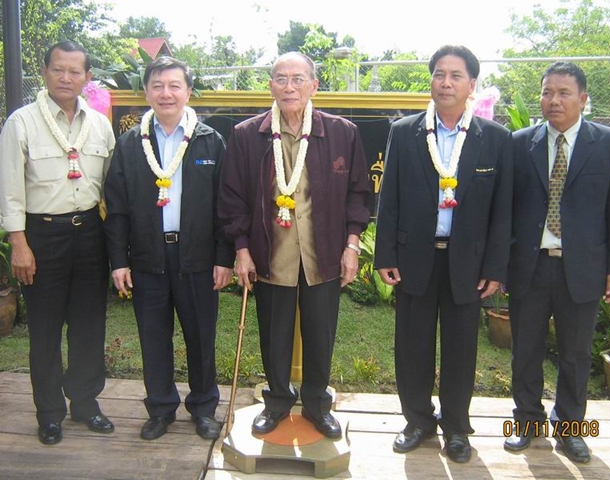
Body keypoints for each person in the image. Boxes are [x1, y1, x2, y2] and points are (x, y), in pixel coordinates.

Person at [218, 52, 370, 439]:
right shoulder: (247, 135)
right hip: (271, 255)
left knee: (321, 334)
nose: (290, 87)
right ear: (270, 85)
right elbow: (233, 198)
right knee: (274, 334)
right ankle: (277, 402)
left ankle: (317, 404)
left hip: (324, 254)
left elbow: (358, 195)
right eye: (281, 79)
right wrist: (241, 249)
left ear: (314, 85)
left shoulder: (342, 133)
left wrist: (352, 246)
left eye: (298, 79)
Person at [375, 45, 513, 463]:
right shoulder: (405, 132)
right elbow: (390, 197)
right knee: (412, 345)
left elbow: (502, 210)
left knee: (461, 349)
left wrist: (495, 266)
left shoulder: (495, 139)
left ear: (472, 84)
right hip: (415, 258)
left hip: (467, 263)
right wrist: (385, 255)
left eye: (456, 75)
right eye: (439, 74)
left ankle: (456, 427)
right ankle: (417, 421)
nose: (446, 82)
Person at [504, 62, 610, 463]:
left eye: (563, 93)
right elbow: (505, 209)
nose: (553, 100)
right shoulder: (518, 143)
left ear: (583, 99)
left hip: (583, 268)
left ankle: (570, 428)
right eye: (547, 92)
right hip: (530, 265)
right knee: (525, 350)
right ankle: (526, 421)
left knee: (576, 354)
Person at [103, 57, 234, 441]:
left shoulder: (210, 140)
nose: (166, 93)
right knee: (153, 337)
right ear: (145, 91)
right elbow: (117, 207)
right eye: (157, 85)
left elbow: (225, 206)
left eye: (175, 85)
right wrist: (119, 261)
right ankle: (160, 409)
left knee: (201, 336)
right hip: (148, 257)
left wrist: (224, 258)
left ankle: (204, 408)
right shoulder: (130, 144)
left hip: (197, 258)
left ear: (188, 92)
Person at [0, 41, 116, 445]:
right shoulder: (21, 123)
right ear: (45, 71)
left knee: (89, 325)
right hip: (42, 235)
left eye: (74, 71)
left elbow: (111, 186)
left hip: (90, 234)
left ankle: (85, 403)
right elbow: (10, 190)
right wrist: (19, 243)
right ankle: (49, 413)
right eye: (58, 69)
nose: (65, 78)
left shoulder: (99, 125)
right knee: (45, 329)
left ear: (87, 77)